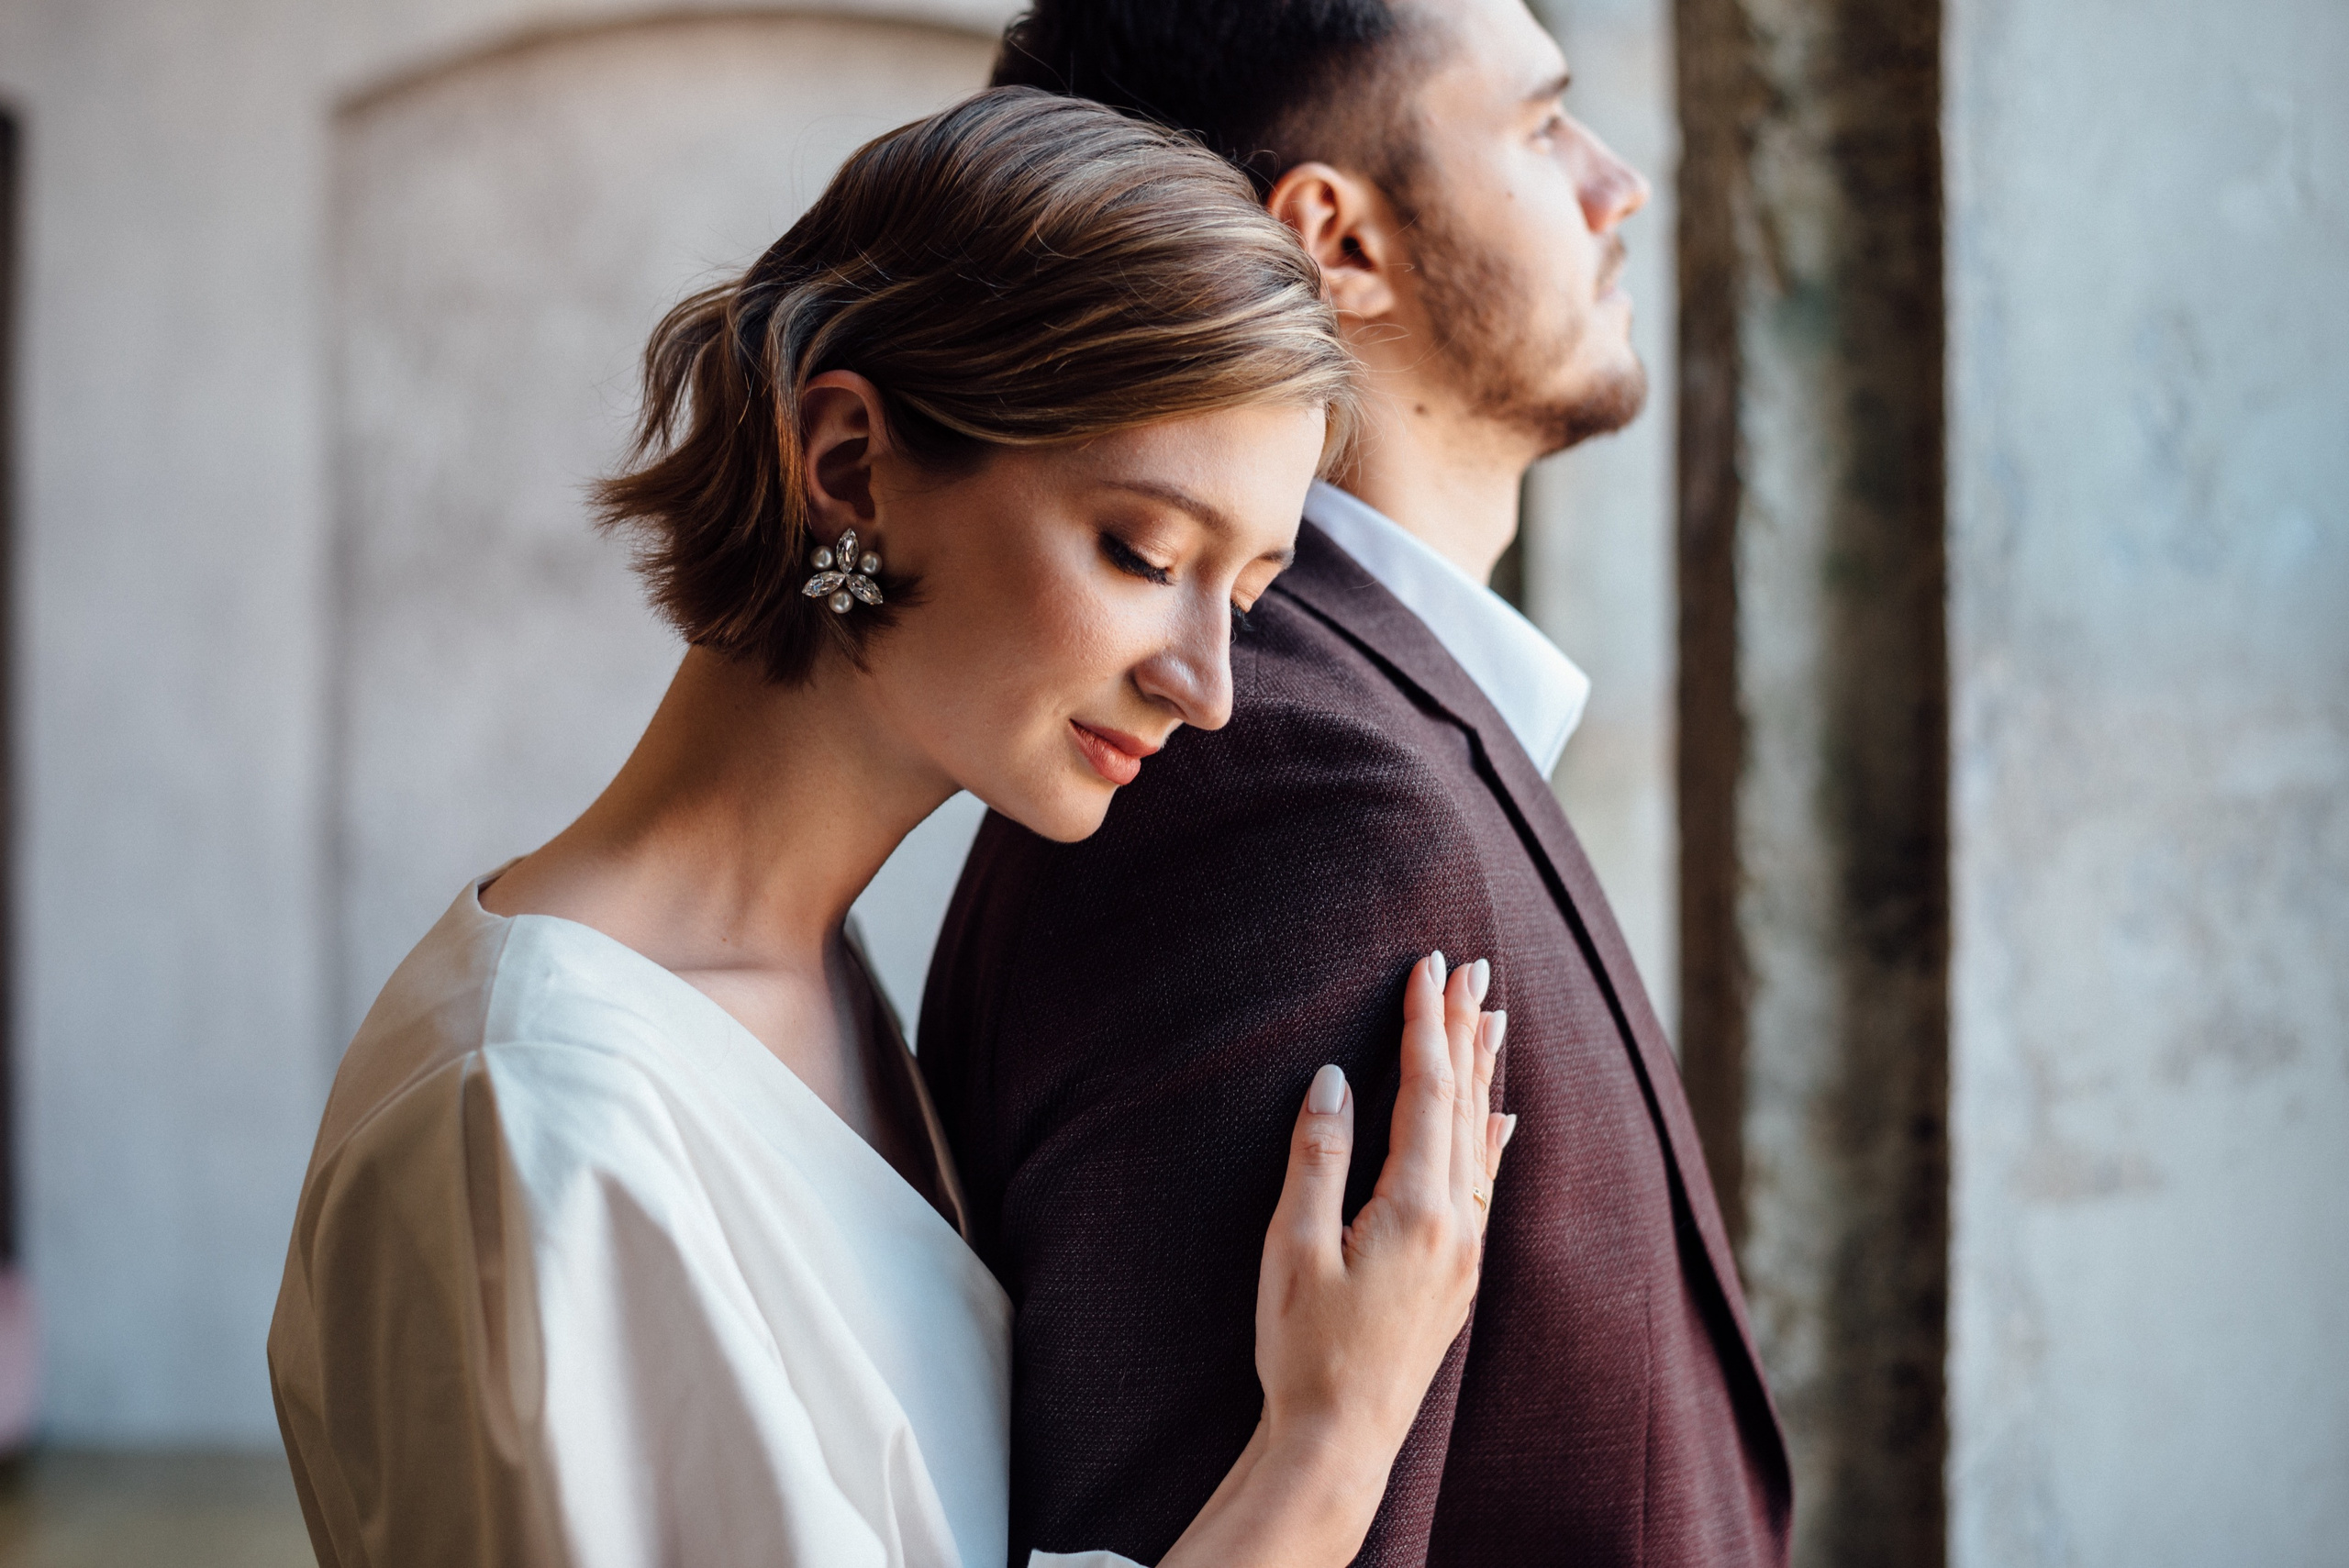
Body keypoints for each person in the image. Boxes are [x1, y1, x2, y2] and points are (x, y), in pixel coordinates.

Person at [266, 89, 1515, 1568]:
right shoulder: (538, 1115)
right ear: (850, 464)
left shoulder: (822, 991)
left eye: (1242, 594)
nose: (1209, 687)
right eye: (1141, 550)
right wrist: (1330, 1444)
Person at [918, 4, 1793, 1565]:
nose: (1618, 186)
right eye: (1539, 128)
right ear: (1338, 239)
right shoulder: (1297, 800)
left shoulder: (1349, 730)